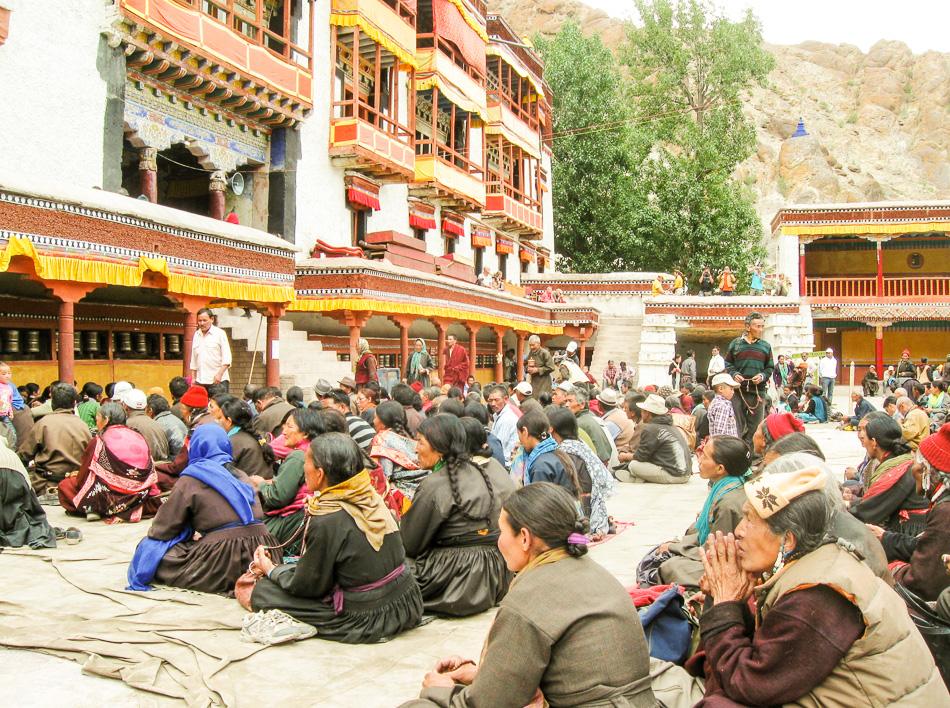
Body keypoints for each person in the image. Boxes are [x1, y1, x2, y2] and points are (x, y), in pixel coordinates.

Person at [693, 463, 947, 706]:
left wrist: (725, 603)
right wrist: (729, 600)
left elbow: (749, 683)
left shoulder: (816, 595)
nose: (738, 531)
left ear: (788, 540)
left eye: (749, 520)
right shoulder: (818, 562)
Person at [402, 483, 656, 708]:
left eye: (502, 532)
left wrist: (438, 691)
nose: (498, 541)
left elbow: (487, 704)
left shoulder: (530, 597)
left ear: (524, 538)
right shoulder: (595, 572)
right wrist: (483, 676)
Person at [247, 432, 423, 641]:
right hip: (404, 597)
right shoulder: (368, 495)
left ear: (320, 474)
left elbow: (310, 587)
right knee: (287, 571)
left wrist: (270, 569)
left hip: (369, 615)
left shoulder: (328, 518)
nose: (304, 469)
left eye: (306, 463)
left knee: (264, 591)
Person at [126, 425, 276, 594]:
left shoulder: (192, 478)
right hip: (263, 551)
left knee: (151, 551)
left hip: (225, 559)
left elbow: (162, 530)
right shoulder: (242, 475)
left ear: (196, 447)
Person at [401, 415, 514, 616]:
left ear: (439, 447)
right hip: (497, 572)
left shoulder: (435, 485)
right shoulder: (487, 469)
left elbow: (410, 544)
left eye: (420, 442)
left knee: (389, 568)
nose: (415, 448)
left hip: (459, 581)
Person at [655, 436, 751, 588]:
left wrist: (675, 547)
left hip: (731, 566)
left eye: (705, 456)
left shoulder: (728, 503)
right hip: (719, 554)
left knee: (669, 566)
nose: (699, 460)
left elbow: (716, 551)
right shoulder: (732, 485)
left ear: (720, 468)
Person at [870, 423, 950, 602]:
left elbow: (922, 583)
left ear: (926, 471)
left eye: (917, 462)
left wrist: (892, 569)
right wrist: (886, 538)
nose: (912, 468)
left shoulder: (945, 512)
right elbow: (927, 546)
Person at [58, 402, 160, 522]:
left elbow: (84, 477)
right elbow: (150, 470)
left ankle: (94, 508)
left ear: (106, 420)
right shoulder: (138, 435)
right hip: (140, 495)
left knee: (65, 486)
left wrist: (78, 476)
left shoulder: (99, 440)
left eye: (97, 420)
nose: (97, 424)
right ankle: (130, 509)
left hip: (108, 497)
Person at [250, 408, 326, 554]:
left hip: (290, 519)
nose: (283, 431)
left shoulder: (298, 456)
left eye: (290, 426)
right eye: (284, 425)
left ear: (306, 433)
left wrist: (260, 483)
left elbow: (277, 497)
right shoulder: (315, 450)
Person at [849, 412, 928, 535]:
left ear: (874, 442)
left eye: (864, 435)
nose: (861, 439)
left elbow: (868, 512)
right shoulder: (901, 460)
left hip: (910, 533)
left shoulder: (897, 472)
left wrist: (843, 507)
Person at [547, 406, 613, 537]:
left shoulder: (565, 453)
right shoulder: (578, 444)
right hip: (591, 507)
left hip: (581, 511)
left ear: (552, 429)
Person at [18, 383, 91, 494]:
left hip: (45, 484)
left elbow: (24, 455)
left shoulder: (43, 424)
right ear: (74, 403)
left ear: (52, 403)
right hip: (76, 485)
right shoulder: (83, 426)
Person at [724, 311, 774, 450]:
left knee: (755, 426)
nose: (760, 329)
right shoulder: (736, 344)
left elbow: (769, 367)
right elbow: (728, 363)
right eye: (757, 326)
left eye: (762, 326)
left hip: (758, 392)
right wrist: (734, 374)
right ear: (747, 327)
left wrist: (763, 376)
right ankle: (738, 453)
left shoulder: (766, 346)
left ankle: (752, 456)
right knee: (737, 425)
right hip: (738, 391)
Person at [618, 394, 691, 484]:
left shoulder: (650, 428)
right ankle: (639, 478)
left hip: (676, 475)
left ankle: (637, 479)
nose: (641, 413)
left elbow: (641, 457)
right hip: (684, 472)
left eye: (642, 411)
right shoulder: (670, 426)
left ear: (647, 413)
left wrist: (624, 456)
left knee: (633, 465)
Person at [369, 400, 423, 501]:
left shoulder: (381, 439)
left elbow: (383, 478)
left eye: (375, 417)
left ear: (384, 423)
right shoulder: (410, 439)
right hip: (419, 494)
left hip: (400, 500)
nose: (373, 421)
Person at [211, 395, 272, 479]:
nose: (218, 421)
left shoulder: (232, 442)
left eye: (220, 418)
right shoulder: (256, 436)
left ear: (229, 421)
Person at [513, 410, 574, 490]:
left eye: (519, 434)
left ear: (525, 432)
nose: (519, 441)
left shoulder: (540, 466)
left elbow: (539, 500)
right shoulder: (557, 452)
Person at [121, 389, 170, 462]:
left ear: (125, 406)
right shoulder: (156, 423)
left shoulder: (126, 426)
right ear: (146, 406)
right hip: (161, 469)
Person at [190, 308, 231, 393]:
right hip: (200, 381)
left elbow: (227, 358)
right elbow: (193, 359)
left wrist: (219, 374)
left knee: (219, 405)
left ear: (212, 319)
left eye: (204, 320)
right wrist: (193, 378)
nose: (201, 323)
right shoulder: (196, 335)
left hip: (218, 381)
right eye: (199, 321)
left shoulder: (220, 334)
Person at [486, 385, 521, 467]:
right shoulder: (498, 415)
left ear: (505, 399)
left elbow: (498, 445)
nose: (493, 404)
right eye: (490, 400)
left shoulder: (507, 418)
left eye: (496, 400)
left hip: (506, 463)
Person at [146, 394, 188, 459]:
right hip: (185, 457)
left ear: (150, 410)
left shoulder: (157, 425)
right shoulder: (176, 419)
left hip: (175, 462)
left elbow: (158, 453)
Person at [707, 373, 740, 437]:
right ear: (721, 389)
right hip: (726, 445)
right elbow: (719, 432)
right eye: (731, 389)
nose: (733, 392)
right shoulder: (723, 405)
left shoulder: (715, 402)